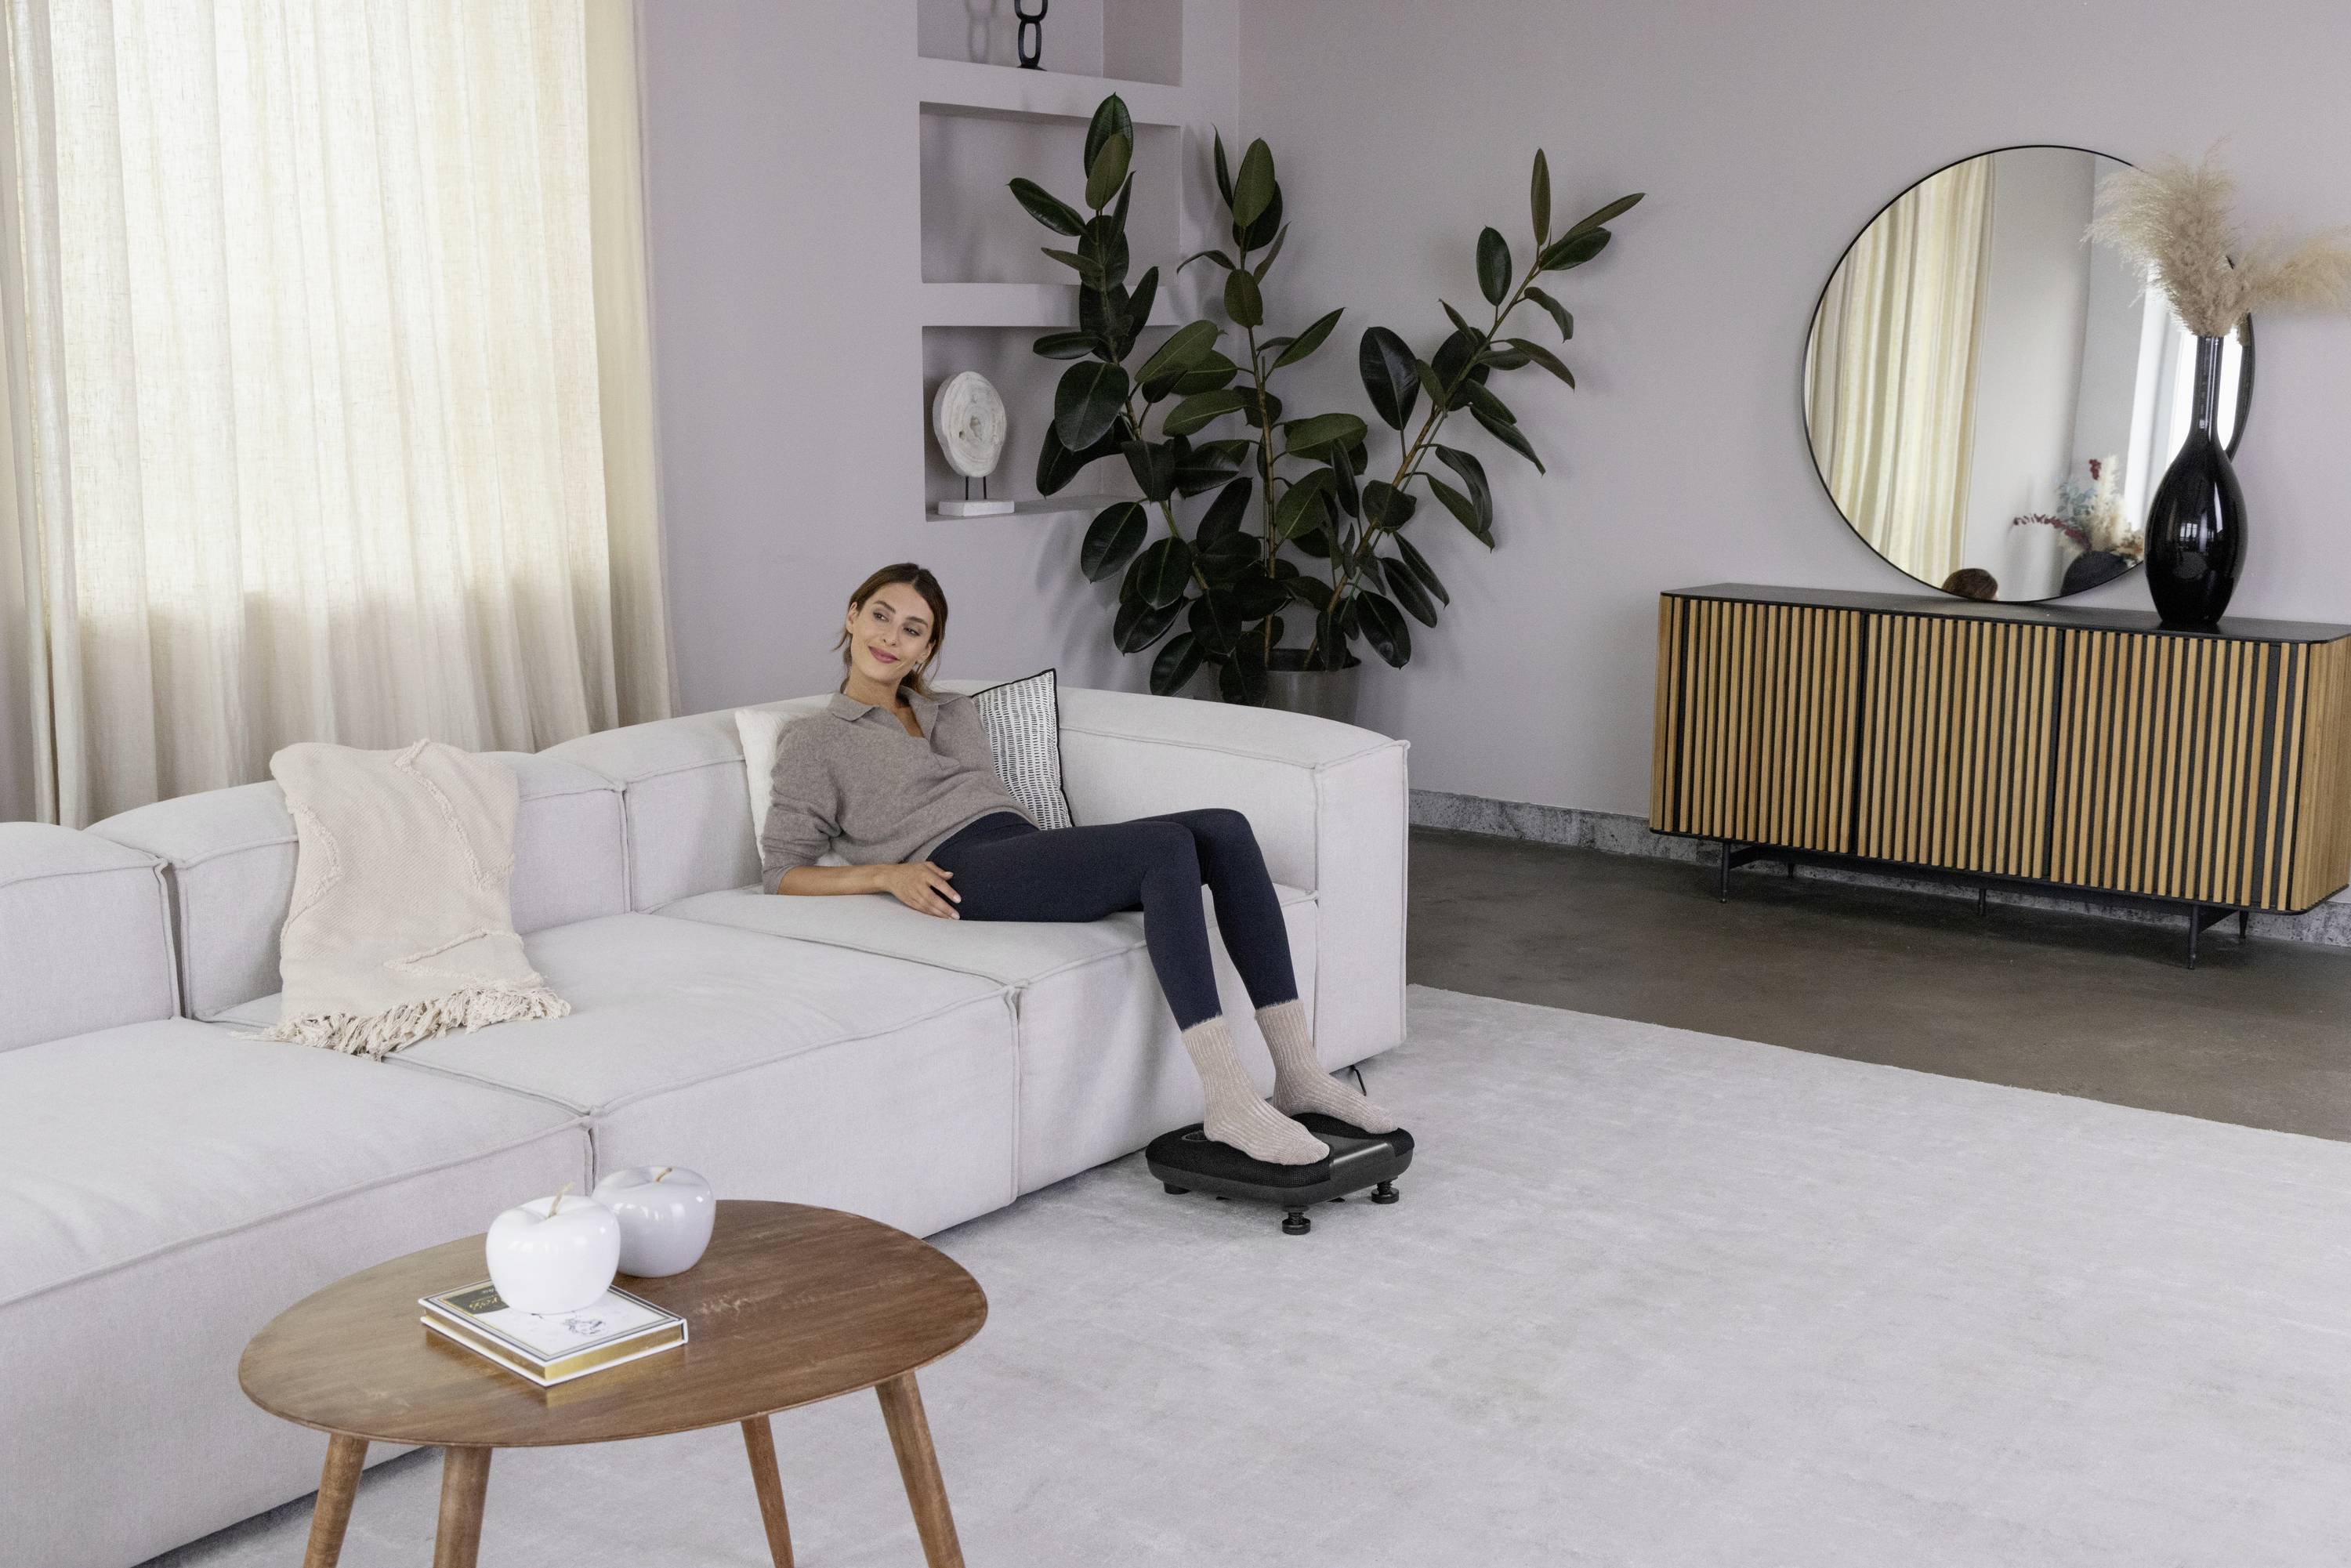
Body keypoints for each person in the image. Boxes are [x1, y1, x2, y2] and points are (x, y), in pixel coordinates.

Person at [760, 563, 1393, 1165]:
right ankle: (1228, 1098)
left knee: (1225, 828)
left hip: (1018, 844)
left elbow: (993, 805)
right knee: (1167, 849)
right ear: (851, 617)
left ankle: (1299, 1072)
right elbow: (782, 871)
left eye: (912, 628)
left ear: (927, 649)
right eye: (880, 615)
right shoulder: (816, 740)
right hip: (960, 871)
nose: (890, 637)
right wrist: (886, 875)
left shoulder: (950, 710)